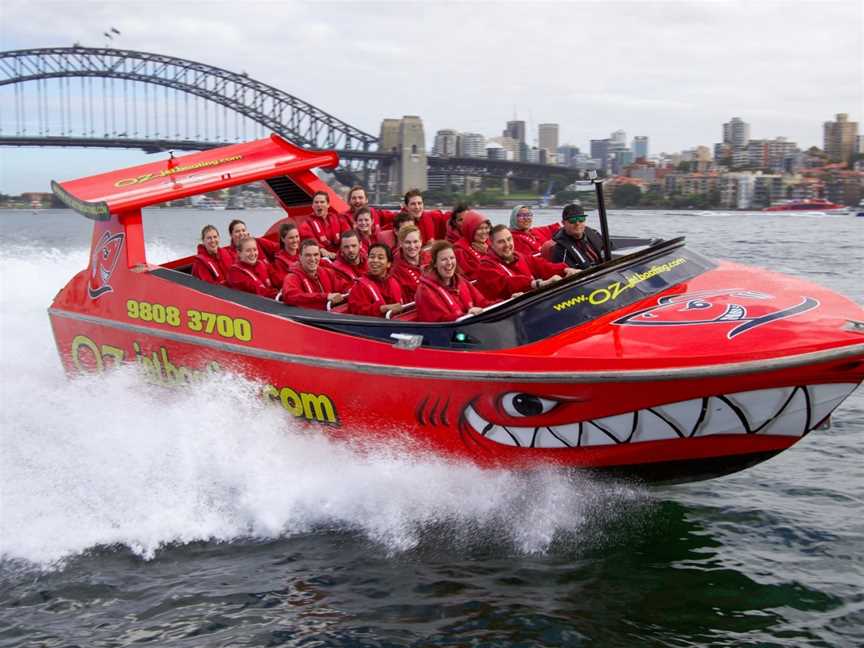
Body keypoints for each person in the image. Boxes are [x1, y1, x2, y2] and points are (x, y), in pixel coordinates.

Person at [476, 225, 578, 301]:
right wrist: (538, 284)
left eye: (509, 239)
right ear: (491, 245)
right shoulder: (485, 266)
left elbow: (542, 265)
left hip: (530, 303)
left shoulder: (520, 256)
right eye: (501, 242)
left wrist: (565, 269)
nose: (507, 245)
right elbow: (507, 283)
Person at [415, 241, 490, 322]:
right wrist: (467, 315)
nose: (449, 263)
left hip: (468, 327)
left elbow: (482, 302)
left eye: (452, 258)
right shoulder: (425, 290)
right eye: (444, 259)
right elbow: (440, 321)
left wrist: (502, 304)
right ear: (435, 264)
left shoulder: (460, 280)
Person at [281, 239, 344, 310]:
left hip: (330, 315)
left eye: (316, 255)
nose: (313, 259)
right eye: (308, 255)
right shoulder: (292, 277)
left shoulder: (328, 272)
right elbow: (291, 296)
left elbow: (344, 286)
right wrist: (326, 297)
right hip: (306, 319)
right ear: (300, 257)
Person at [347, 244, 405, 318]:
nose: (375, 260)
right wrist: (381, 309)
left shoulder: (394, 282)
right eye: (372, 257)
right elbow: (356, 313)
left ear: (389, 264)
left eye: (380, 258)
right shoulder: (359, 286)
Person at [550, 204, 607, 269]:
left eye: (581, 219)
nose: (577, 223)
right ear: (563, 223)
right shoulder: (560, 250)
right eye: (572, 220)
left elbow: (612, 250)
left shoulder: (595, 233)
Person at [297, 190, 347, 259]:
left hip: (342, 255)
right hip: (321, 259)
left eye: (322, 202)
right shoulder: (306, 224)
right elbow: (309, 240)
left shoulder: (338, 219)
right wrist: (323, 251)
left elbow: (348, 234)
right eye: (316, 202)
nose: (319, 205)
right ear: (312, 206)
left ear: (328, 205)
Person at [453, 211, 491, 281]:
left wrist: (488, 252)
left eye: (486, 228)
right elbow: (467, 277)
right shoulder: (460, 250)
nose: (484, 231)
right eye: (479, 228)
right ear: (470, 229)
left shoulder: (490, 244)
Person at [390, 225, 424, 302]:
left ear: (421, 241)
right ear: (401, 243)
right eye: (408, 242)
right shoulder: (395, 269)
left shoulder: (430, 258)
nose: (412, 246)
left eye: (415, 241)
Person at [268, 221, 301, 288]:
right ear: (283, 239)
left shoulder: (303, 253)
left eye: (297, 236)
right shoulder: (279, 262)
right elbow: (282, 283)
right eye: (291, 238)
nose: (295, 240)